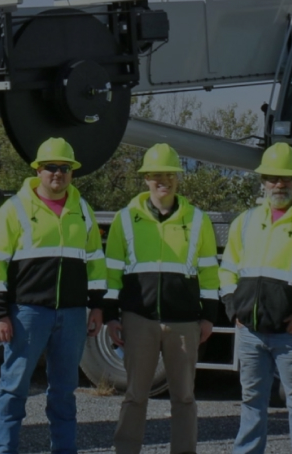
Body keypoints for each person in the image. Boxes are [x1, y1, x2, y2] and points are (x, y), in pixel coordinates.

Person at [0, 137, 107, 454]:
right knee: (14, 388)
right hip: (27, 313)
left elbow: (96, 263)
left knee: (64, 392)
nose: (57, 174)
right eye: (51, 167)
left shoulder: (83, 210)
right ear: (38, 169)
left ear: (72, 173)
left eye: (64, 168)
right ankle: (5, 450)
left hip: (73, 314)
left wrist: (98, 307)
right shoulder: (14, 210)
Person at [220, 143, 292, 454]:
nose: (279, 184)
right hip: (250, 333)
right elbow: (228, 269)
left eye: (286, 179)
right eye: (272, 178)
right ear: (263, 181)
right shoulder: (245, 221)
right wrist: (233, 308)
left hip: (291, 336)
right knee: (251, 402)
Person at [102, 144, 219, 454]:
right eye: (156, 175)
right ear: (146, 179)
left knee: (184, 397)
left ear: (177, 178)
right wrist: (112, 316)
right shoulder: (125, 219)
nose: (162, 180)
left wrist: (209, 316)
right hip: (139, 320)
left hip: (184, 322)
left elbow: (209, 271)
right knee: (136, 395)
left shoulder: (197, 219)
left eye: (169, 174)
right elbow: (112, 272)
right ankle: (126, 450)